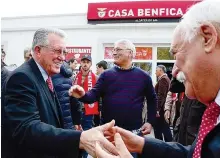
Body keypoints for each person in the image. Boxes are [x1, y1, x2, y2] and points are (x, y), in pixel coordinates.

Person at [95, 0, 220, 157]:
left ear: (208, 38)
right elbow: (195, 154)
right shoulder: (218, 110)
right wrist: (143, 145)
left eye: (176, 54)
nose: (175, 70)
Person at [2, 28, 117, 158]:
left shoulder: (44, 75)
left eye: (64, 52)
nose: (62, 58)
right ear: (38, 50)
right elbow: (26, 128)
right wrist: (80, 138)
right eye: (57, 51)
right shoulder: (22, 77)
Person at [69, 39, 157, 137]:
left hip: (133, 134)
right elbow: (93, 95)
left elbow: (152, 100)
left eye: (118, 50)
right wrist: (82, 95)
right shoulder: (106, 75)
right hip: (108, 132)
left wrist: (150, 121)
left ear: (130, 53)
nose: (114, 53)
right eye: (113, 50)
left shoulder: (143, 77)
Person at [52, 60, 82, 130]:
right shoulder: (68, 78)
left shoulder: (47, 78)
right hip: (68, 125)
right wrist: (76, 122)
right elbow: (75, 103)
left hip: (53, 127)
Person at [154, 65, 172, 141]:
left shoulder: (163, 79)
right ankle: (166, 142)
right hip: (162, 107)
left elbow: (161, 95)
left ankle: (161, 142)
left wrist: (157, 109)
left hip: (161, 108)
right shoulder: (164, 79)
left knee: (160, 126)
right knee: (163, 126)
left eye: (156, 70)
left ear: (161, 70)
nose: (155, 72)